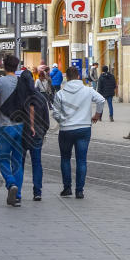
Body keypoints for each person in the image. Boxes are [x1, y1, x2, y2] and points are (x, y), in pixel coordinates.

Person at [52, 64, 104, 198]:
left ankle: (67, 188)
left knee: (65, 159)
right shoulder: (88, 90)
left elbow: (56, 113)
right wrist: (97, 115)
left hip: (66, 130)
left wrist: (63, 121)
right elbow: (101, 100)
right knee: (81, 160)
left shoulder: (60, 94)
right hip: (84, 129)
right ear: (78, 76)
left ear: (67, 78)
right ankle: (79, 190)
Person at [0, 55, 35, 206]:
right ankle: (17, 196)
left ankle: (11, 183)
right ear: (17, 67)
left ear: (4, 66)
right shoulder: (22, 83)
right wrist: (31, 125)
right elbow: (31, 105)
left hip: (5, 127)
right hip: (20, 126)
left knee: (4, 159)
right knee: (17, 160)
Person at [23, 77, 50, 201]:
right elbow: (46, 120)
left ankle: (16, 191)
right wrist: (42, 132)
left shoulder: (20, 97)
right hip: (37, 134)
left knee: (19, 163)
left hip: (22, 134)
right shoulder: (41, 97)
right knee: (37, 163)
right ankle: (37, 192)